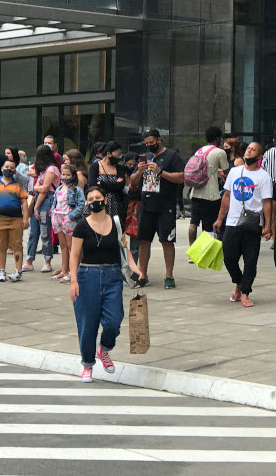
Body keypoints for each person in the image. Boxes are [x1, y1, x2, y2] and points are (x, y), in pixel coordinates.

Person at [70, 186, 137, 383]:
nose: (94, 201)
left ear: (105, 200)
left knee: (114, 320)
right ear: (87, 203)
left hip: (113, 275)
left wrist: (136, 268)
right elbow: (74, 255)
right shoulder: (82, 226)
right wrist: (73, 280)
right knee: (87, 324)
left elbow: (125, 249)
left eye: (97, 197)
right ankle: (87, 365)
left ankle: (104, 349)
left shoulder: (115, 223)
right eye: (90, 199)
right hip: (87, 276)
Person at [214, 142, 273, 307]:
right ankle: (239, 283)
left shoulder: (264, 176)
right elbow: (226, 196)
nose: (249, 151)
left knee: (250, 259)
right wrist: (220, 218)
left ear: (259, 156)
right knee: (229, 257)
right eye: (248, 149)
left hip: (253, 223)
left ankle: (245, 292)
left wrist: (268, 225)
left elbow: (267, 203)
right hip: (232, 222)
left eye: (253, 150)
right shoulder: (234, 171)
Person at [130, 129, 186, 289]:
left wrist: (160, 172)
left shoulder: (171, 156)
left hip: (165, 205)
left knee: (167, 240)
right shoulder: (145, 157)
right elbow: (133, 182)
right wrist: (139, 171)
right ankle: (143, 274)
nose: (149, 146)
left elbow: (181, 177)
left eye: (151, 143)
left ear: (159, 140)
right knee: (144, 240)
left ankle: (169, 275)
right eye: (146, 143)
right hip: (146, 205)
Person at [0, 159, 29, 283]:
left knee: (17, 245)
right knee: (1, 246)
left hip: (16, 219)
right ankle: (1, 270)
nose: (8, 169)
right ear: (2, 168)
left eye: (11, 168)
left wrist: (25, 218)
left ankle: (18, 270)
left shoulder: (18, 185)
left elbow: (24, 202)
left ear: (15, 171)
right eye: (6, 167)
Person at [188, 127, 230, 250]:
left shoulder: (199, 150)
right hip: (211, 195)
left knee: (193, 223)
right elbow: (226, 170)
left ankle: (192, 250)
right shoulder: (219, 152)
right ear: (218, 138)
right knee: (209, 225)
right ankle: (205, 251)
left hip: (195, 192)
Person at [25, 145, 60, 273]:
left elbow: (44, 189)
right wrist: (38, 189)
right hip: (41, 199)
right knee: (33, 232)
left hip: (46, 201)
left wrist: (36, 207)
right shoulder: (44, 169)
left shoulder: (51, 169)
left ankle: (47, 260)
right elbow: (38, 187)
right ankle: (29, 260)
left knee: (45, 232)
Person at [51, 164, 87, 283]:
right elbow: (55, 202)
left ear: (73, 176)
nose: (65, 177)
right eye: (63, 174)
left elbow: (81, 204)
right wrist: (53, 214)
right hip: (57, 218)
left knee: (72, 246)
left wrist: (71, 216)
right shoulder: (58, 188)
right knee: (63, 246)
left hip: (69, 218)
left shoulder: (76, 190)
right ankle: (64, 269)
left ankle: (73, 271)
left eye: (68, 175)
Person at [88, 141, 125, 221]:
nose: (118, 158)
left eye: (120, 156)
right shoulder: (95, 166)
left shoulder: (119, 168)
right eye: (117, 155)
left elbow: (120, 186)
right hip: (98, 203)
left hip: (115, 205)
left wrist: (102, 183)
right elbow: (92, 186)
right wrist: (114, 184)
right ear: (108, 154)